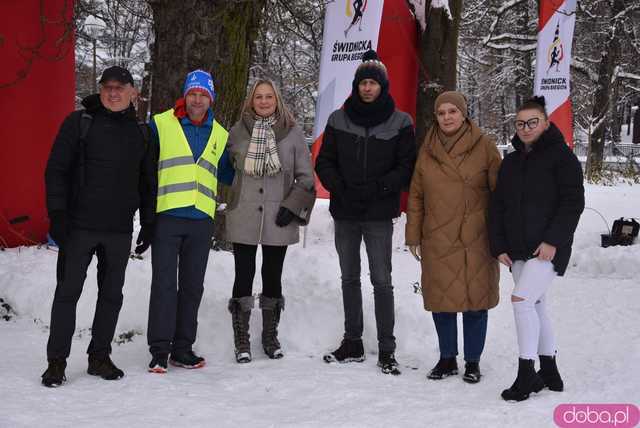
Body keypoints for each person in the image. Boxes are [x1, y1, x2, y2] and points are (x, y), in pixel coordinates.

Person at [42, 65, 157, 387]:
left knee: (111, 295)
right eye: (108, 87)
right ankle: (56, 362)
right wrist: (58, 215)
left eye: (121, 87)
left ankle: (99, 356)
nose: (114, 92)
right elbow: (56, 171)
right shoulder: (79, 123)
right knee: (67, 293)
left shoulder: (142, 133)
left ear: (133, 92)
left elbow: (149, 183)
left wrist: (148, 223)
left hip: (119, 230)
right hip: (78, 227)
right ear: (101, 89)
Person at [315, 50, 416, 375]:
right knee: (349, 277)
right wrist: (340, 187)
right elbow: (324, 162)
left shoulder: (400, 122)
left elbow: (405, 166)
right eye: (363, 82)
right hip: (345, 211)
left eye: (373, 82)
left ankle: (387, 348)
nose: (368, 88)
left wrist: (378, 189)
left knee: (381, 280)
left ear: (382, 86)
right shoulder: (338, 119)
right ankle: (353, 341)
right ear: (356, 86)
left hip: (377, 213)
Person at [489, 96, 584, 401]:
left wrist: (553, 240)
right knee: (536, 305)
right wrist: (499, 245)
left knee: (521, 301)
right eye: (520, 123)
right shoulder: (512, 161)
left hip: (547, 248)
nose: (526, 128)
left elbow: (573, 203)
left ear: (545, 123)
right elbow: (498, 205)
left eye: (532, 122)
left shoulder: (562, 157)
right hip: (516, 248)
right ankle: (550, 370)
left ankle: (526, 374)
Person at [405, 91, 502, 384]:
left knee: (476, 302)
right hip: (437, 237)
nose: (447, 117)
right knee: (442, 300)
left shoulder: (485, 146)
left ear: (464, 113)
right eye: (441, 112)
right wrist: (413, 235)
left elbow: (501, 194)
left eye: (453, 111)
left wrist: (502, 234)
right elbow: (417, 196)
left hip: (476, 236)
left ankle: (472, 362)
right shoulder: (427, 149)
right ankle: (447, 358)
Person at [220, 79, 315, 363]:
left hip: (279, 216)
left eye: (269, 97)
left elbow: (306, 177)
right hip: (244, 214)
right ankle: (242, 339)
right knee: (243, 275)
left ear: (277, 101)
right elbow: (226, 170)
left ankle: (270, 337)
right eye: (258, 97)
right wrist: (233, 195)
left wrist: (293, 205)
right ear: (251, 101)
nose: (263, 102)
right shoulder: (237, 132)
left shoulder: (292, 133)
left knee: (272, 275)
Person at [146, 70, 229, 373]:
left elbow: (228, 174)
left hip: (201, 220)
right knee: (164, 285)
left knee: (192, 287)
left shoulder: (220, 133)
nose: (197, 99)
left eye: (203, 95)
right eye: (192, 93)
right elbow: (145, 168)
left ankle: (183, 349)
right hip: (168, 216)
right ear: (185, 95)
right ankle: (159, 350)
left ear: (210, 99)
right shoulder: (160, 124)